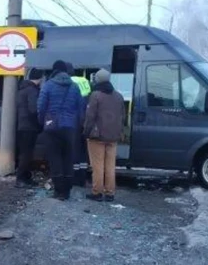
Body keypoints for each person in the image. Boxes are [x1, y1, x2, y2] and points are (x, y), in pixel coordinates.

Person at [37, 60, 84, 200]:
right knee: (68, 158)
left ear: (54, 71)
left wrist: (43, 123)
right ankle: (67, 191)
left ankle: (59, 191)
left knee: (55, 158)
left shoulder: (48, 86)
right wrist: (76, 125)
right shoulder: (75, 87)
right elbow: (81, 110)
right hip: (70, 128)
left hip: (52, 127)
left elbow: (41, 108)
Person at [83, 69, 125, 202]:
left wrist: (86, 132)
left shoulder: (96, 95)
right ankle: (110, 193)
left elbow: (90, 116)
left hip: (97, 136)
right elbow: (122, 116)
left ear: (97, 80)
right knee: (110, 166)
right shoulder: (118, 96)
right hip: (113, 137)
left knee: (98, 165)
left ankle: (97, 192)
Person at [15, 68, 43, 188]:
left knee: (25, 153)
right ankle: (20, 179)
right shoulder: (32, 91)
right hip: (29, 127)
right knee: (27, 154)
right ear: (40, 78)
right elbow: (33, 110)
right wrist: (39, 124)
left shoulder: (23, 89)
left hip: (22, 125)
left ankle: (26, 178)